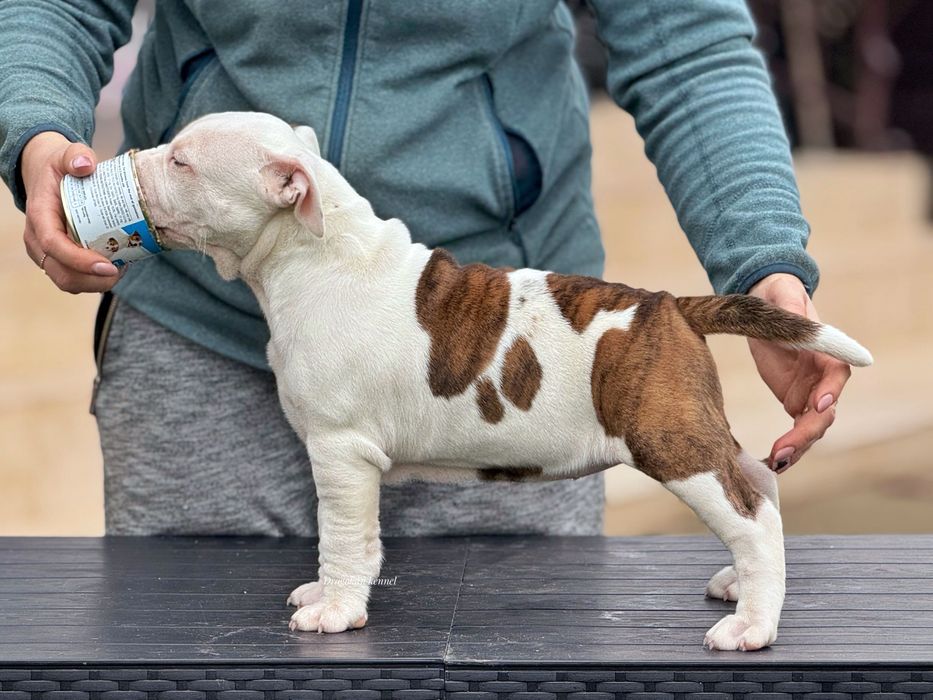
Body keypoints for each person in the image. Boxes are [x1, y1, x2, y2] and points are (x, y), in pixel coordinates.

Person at [1, 1, 850, 536]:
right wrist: (37, 128)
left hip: (506, 349)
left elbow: (686, 42)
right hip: (200, 340)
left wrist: (760, 257)